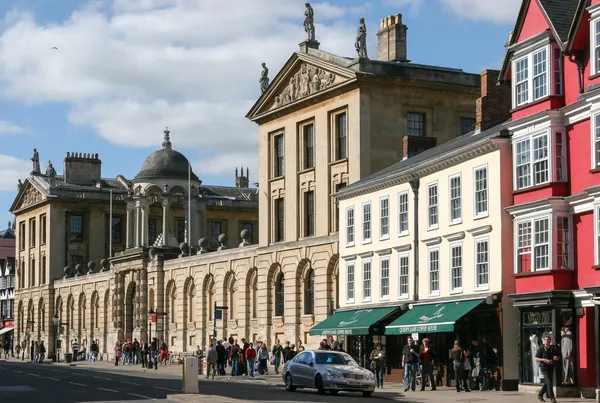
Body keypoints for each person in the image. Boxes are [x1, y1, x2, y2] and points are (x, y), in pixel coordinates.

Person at [536, 335, 560, 403]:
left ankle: (540, 395)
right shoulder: (541, 349)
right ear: (544, 341)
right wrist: (543, 360)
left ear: (550, 341)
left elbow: (556, 356)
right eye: (545, 340)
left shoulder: (552, 348)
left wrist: (556, 358)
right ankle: (552, 397)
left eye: (548, 340)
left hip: (551, 367)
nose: (546, 341)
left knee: (547, 383)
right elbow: (536, 359)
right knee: (549, 383)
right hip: (544, 368)